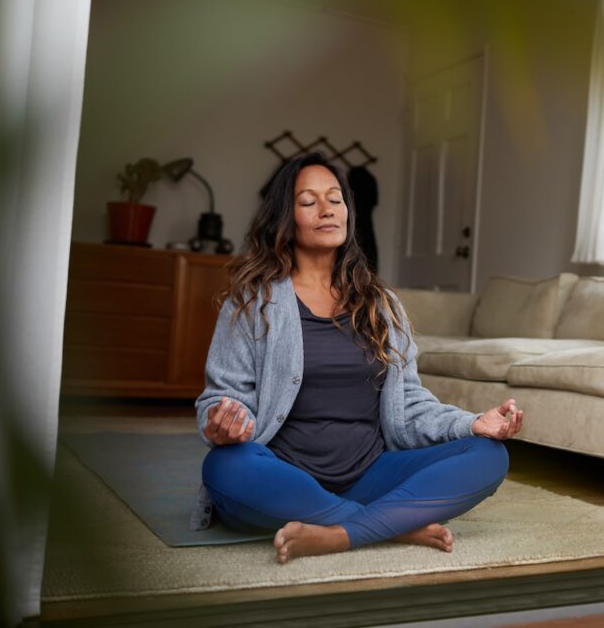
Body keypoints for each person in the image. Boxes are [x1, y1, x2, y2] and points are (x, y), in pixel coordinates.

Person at [194, 152, 522, 564]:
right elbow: (219, 399)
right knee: (224, 467)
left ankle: (338, 533)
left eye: (335, 198)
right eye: (308, 201)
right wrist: (224, 424)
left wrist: (472, 422)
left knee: (488, 455)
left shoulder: (382, 305)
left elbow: (411, 405)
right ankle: (394, 525)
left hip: (371, 476)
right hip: (285, 476)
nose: (327, 209)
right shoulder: (251, 302)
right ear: (285, 217)